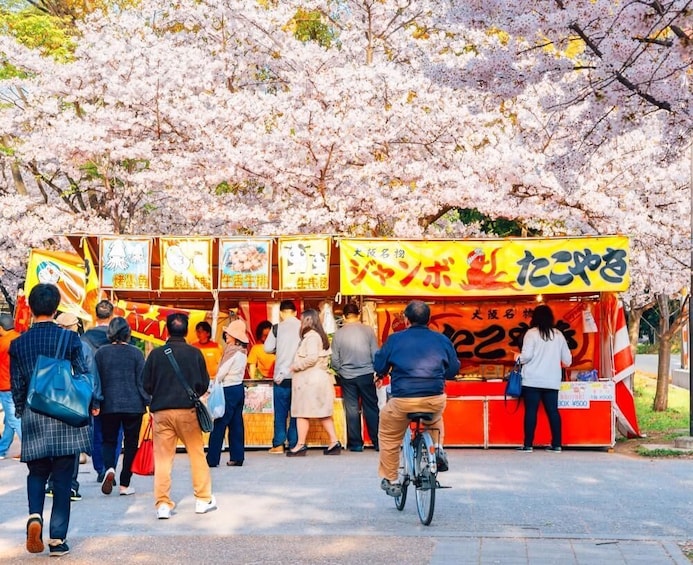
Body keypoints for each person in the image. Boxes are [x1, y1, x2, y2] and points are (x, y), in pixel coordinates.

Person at [9, 283, 97, 556]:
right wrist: (90, 405)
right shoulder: (70, 340)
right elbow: (83, 376)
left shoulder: (18, 343)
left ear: (31, 309)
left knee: (36, 473)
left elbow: (17, 385)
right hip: (65, 416)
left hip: (34, 416)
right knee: (61, 480)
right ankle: (57, 540)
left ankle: (35, 515)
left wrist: (23, 411)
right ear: (56, 307)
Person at [373, 300, 460, 497]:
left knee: (388, 435)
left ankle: (392, 479)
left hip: (403, 400)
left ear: (406, 319)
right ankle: (437, 448)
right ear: (429, 320)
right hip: (434, 398)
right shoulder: (441, 340)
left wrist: (384, 371)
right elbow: (453, 370)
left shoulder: (395, 340)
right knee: (435, 418)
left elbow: (379, 367)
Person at [142, 313, 216, 519]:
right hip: (188, 412)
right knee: (197, 455)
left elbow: (146, 384)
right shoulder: (195, 353)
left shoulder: (156, 355)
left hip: (162, 413)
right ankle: (202, 499)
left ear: (167, 330)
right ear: (186, 330)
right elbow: (203, 383)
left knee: (164, 460)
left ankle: (163, 504)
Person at [46, 312, 103, 502]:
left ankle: (52, 483)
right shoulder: (83, 347)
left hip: (52, 399)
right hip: (77, 400)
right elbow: (90, 376)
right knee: (73, 444)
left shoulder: (49, 344)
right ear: (76, 326)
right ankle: (70, 485)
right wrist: (95, 402)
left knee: (54, 441)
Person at [95, 316, 148, 495]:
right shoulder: (136, 353)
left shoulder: (101, 353)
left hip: (109, 405)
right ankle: (125, 483)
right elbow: (142, 382)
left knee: (109, 440)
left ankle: (109, 468)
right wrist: (148, 402)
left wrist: (96, 402)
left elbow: (97, 381)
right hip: (133, 405)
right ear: (128, 333)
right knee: (131, 443)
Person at [515, 304, 572, 453]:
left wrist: (516, 357)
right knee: (553, 411)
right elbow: (567, 360)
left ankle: (528, 445)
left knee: (531, 411)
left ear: (535, 318)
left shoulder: (531, 334)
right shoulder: (558, 335)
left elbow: (526, 356)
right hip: (552, 380)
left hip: (532, 379)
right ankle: (557, 444)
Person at [286, 309, 341, 457]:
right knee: (323, 413)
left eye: (302, 319)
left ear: (308, 321)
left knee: (302, 412)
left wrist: (295, 366)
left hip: (309, 382)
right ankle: (334, 442)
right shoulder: (319, 337)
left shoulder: (311, 337)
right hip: (318, 380)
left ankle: (300, 445)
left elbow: (311, 358)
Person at [331, 303, 380, 452]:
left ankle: (356, 444)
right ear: (359, 315)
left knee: (352, 409)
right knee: (371, 408)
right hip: (366, 374)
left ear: (344, 317)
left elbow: (334, 359)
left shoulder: (338, 334)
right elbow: (375, 353)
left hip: (347, 376)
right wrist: (376, 371)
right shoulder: (368, 331)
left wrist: (341, 371)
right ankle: (377, 442)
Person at [82, 299, 122, 483]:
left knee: (96, 431)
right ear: (112, 315)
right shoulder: (120, 336)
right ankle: (111, 466)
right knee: (115, 432)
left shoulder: (85, 339)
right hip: (117, 392)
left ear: (95, 315)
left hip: (93, 393)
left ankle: (100, 468)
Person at [206, 319, 248, 468]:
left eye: (228, 333)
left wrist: (213, 384)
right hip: (238, 388)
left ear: (235, 337)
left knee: (219, 424)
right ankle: (237, 457)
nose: (226, 336)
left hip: (227, 389)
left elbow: (222, 372)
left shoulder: (231, 351)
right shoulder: (243, 352)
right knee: (237, 424)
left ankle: (212, 458)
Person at [263, 300, 300, 454]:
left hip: (281, 376)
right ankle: (294, 443)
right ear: (296, 312)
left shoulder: (277, 328)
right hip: (299, 376)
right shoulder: (303, 326)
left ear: (281, 313)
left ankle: (278, 444)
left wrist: (279, 350)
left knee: (280, 412)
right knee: (296, 412)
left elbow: (267, 348)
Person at [0, 314, 22, 459]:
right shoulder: (19, 337)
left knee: (13, 419)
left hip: (5, 385)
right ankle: (2, 448)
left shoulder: (2, 343)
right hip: (18, 384)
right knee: (9, 420)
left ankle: (28, 446)